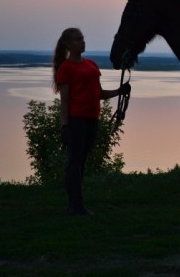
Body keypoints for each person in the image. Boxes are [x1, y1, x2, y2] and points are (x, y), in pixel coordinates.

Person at [52, 28, 130, 216]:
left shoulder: (92, 65)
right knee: (75, 161)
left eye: (83, 39)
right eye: (78, 40)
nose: (82, 42)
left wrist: (120, 91)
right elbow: (65, 100)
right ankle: (75, 205)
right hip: (76, 120)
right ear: (68, 45)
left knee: (81, 161)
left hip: (92, 118)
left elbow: (99, 94)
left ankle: (75, 203)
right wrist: (65, 125)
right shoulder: (66, 68)